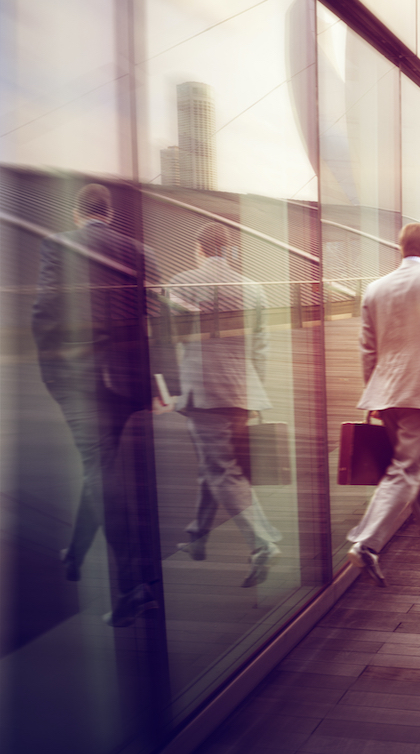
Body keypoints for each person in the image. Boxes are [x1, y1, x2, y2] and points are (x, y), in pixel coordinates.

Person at [33, 183, 178, 626]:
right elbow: (158, 318)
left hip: (81, 379)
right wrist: (162, 383)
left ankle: (133, 585)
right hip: (127, 378)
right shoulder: (141, 251)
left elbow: (44, 313)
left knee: (98, 468)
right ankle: (75, 554)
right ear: (109, 215)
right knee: (100, 466)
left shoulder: (58, 245)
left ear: (78, 213)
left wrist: (52, 376)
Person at [343, 223, 420, 586]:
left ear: (400, 249)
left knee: (413, 464)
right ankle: (367, 543)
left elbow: (367, 348)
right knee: (406, 468)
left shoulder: (375, 289)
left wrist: (375, 395)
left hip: (386, 392)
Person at [170, 223, 283, 588]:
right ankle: (197, 536)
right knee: (214, 464)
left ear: (199, 248)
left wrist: (169, 386)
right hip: (240, 392)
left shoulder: (181, 283)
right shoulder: (253, 288)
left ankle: (262, 543)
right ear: (228, 249)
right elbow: (261, 348)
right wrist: (253, 391)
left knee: (222, 470)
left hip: (204, 393)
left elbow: (172, 337)